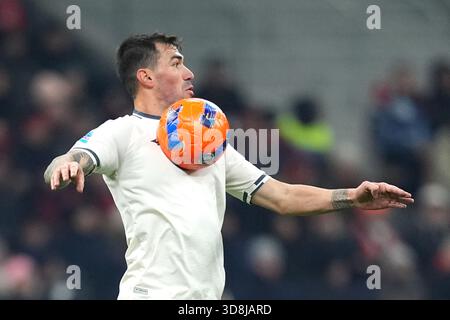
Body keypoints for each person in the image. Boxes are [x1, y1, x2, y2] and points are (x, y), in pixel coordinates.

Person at [43, 33, 414, 300]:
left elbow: (282, 196)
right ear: (146, 77)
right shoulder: (123, 133)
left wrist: (352, 196)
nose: (189, 73)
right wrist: (66, 164)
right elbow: (74, 157)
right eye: (176, 63)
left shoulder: (209, 143)